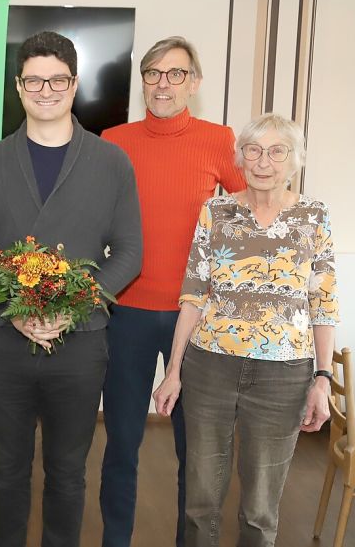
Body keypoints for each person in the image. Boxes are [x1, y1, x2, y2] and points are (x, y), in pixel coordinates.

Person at [0, 32, 142, 547]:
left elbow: (129, 253)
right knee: (8, 472)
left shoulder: (111, 163)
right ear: (19, 86)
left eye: (57, 79)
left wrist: (73, 308)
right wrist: (12, 310)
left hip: (79, 345)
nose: (46, 90)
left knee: (67, 474)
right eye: (34, 79)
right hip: (2, 341)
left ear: (75, 84)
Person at [153, 113, 337, 547]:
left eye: (277, 151)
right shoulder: (216, 212)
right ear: (240, 157)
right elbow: (193, 295)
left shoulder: (314, 216)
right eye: (253, 150)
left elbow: (323, 303)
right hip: (210, 368)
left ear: (294, 160)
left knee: (259, 509)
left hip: (284, 375)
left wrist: (323, 379)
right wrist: (174, 370)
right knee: (200, 502)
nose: (263, 161)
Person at [98, 36, 246, 547]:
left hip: (197, 320)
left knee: (196, 451)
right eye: (154, 73)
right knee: (121, 446)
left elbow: (252, 213)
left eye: (175, 73)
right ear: (143, 82)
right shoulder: (113, 140)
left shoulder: (220, 140)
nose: (163, 83)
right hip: (126, 315)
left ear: (194, 83)